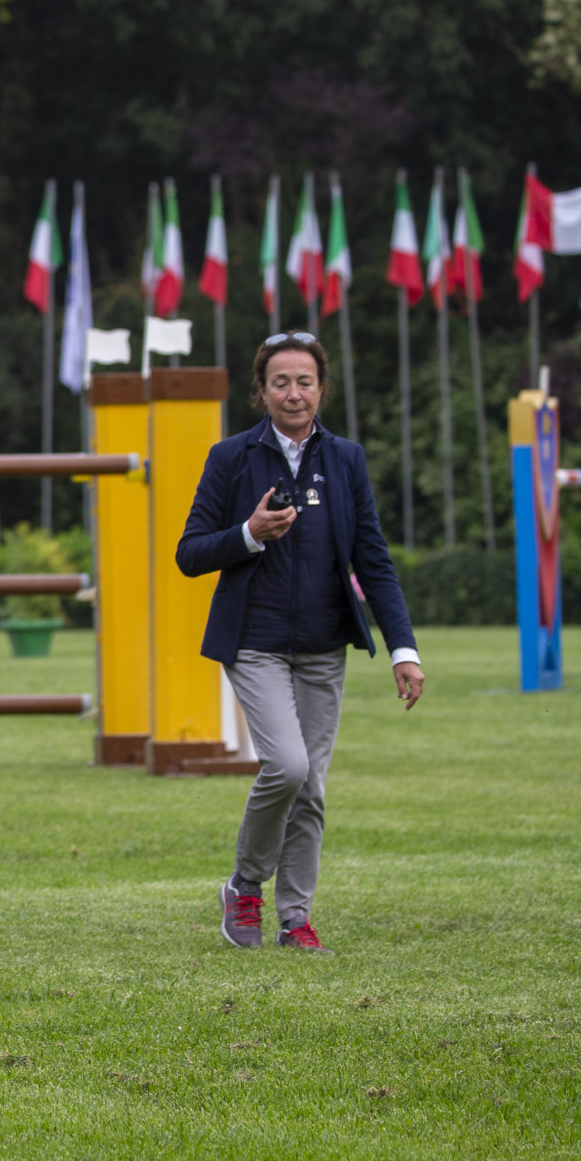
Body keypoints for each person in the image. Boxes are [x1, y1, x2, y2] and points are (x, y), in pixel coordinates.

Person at [177, 333, 424, 954]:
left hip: (322, 645)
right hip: (253, 642)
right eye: (280, 382)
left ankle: (295, 918)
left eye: (305, 381)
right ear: (261, 392)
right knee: (286, 766)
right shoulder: (230, 458)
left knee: (310, 786)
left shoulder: (346, 460)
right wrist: (250, 533)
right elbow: (190, 553)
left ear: (322, 389)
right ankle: (244, 885)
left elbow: (373, 558)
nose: (293, 393)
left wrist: (403, 649)